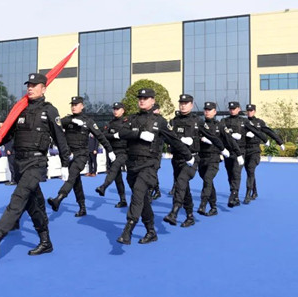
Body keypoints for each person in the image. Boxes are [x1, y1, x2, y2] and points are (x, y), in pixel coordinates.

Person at [0, 73, 71, 256]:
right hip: (20, 162)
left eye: (34, 85)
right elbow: (7, 135)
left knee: (18, 198)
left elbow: (60, 138)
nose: (30, 88)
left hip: (36, 162)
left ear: (43, 88)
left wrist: (65, 164)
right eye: (29, 85)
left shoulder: (49, 110)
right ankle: (46, 242)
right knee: (32, 203)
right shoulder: (20, 109)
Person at [114, 89, 194, 245]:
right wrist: (138, 134)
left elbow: (174, 140)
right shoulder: (132, 118)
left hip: (149, 165)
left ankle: (128, 230)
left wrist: (188, 155)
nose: (142, 100)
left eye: (145, 98)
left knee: (137, 195)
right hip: (132, 164)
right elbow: (121, 133)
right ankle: (151, 231)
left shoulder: (160, 121)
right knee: (142, 199)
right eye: (140, 98)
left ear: (153, 101)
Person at [163, 94, 229, 227]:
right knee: (184, 188)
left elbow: (212, 136)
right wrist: (180, 140)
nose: (183, 105)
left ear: (191, 105)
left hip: (192, 159)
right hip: (177, 159)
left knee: (180, 183)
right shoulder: (173, 122)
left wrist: (222, 149)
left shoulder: (197, 121)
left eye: (186, 103)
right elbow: (165, 137)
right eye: (181, 103)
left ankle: (174, 212)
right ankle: (190, 216)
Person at [47, 96, 115, 217]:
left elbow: (100, 136)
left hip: (81, 155)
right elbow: (56, 126)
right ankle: (82, 207)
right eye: (72, 105)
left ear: (82, 106)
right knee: (76, 181)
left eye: (76, 104)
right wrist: (70, 122)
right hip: (70, 155)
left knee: (72, 176)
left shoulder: (88, 121)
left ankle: (59, 198)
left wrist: (109, 150)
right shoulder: (68, 119)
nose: (73, 107)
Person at [219, 102, 267, 208]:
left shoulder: (251, 122)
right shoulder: (224, 121)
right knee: (230, 174)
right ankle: (239, 194)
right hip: (231, 151)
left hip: (248, 150)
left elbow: (262, 131)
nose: (249, 112)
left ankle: (246, 193)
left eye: (251, 110)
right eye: (231, 108)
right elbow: (221, 134)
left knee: (247, 171)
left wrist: (268, 140)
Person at [197, 102, 241, 216]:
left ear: (215, 112)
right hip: (201, 158)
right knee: (208, 182)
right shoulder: (199, 124)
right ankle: (213, 207)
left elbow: (229, 140)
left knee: (208, 179)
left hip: (214, 157)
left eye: (209, 110)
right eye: (205, 109)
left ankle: (203, 204)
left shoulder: (219, 125)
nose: (207, 112)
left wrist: (238, 154)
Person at [243, 104, 285, 203]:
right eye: (248, 110)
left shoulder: (259, 122)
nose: (249, 112)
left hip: (255, 150)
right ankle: (255, 192)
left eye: (251, 110)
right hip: (244, 149)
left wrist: (280, 142)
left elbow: (269, 132)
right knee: (249, 172)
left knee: (251, 169)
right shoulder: (243, 122)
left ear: (254, 111)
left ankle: (248, 194)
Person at [95, 102, 129, 208]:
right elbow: (104, 135)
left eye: (117, 109)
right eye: (114, 109)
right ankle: (123, 200)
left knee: (114, 169)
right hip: (113, 152)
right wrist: (114, 136)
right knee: (117, 177)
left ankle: (104, 186)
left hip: (124, 151)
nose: (115, 111)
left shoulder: (127, 122)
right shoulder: (110, 123)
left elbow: (129, 135)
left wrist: (117, 136)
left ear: (123, 110)